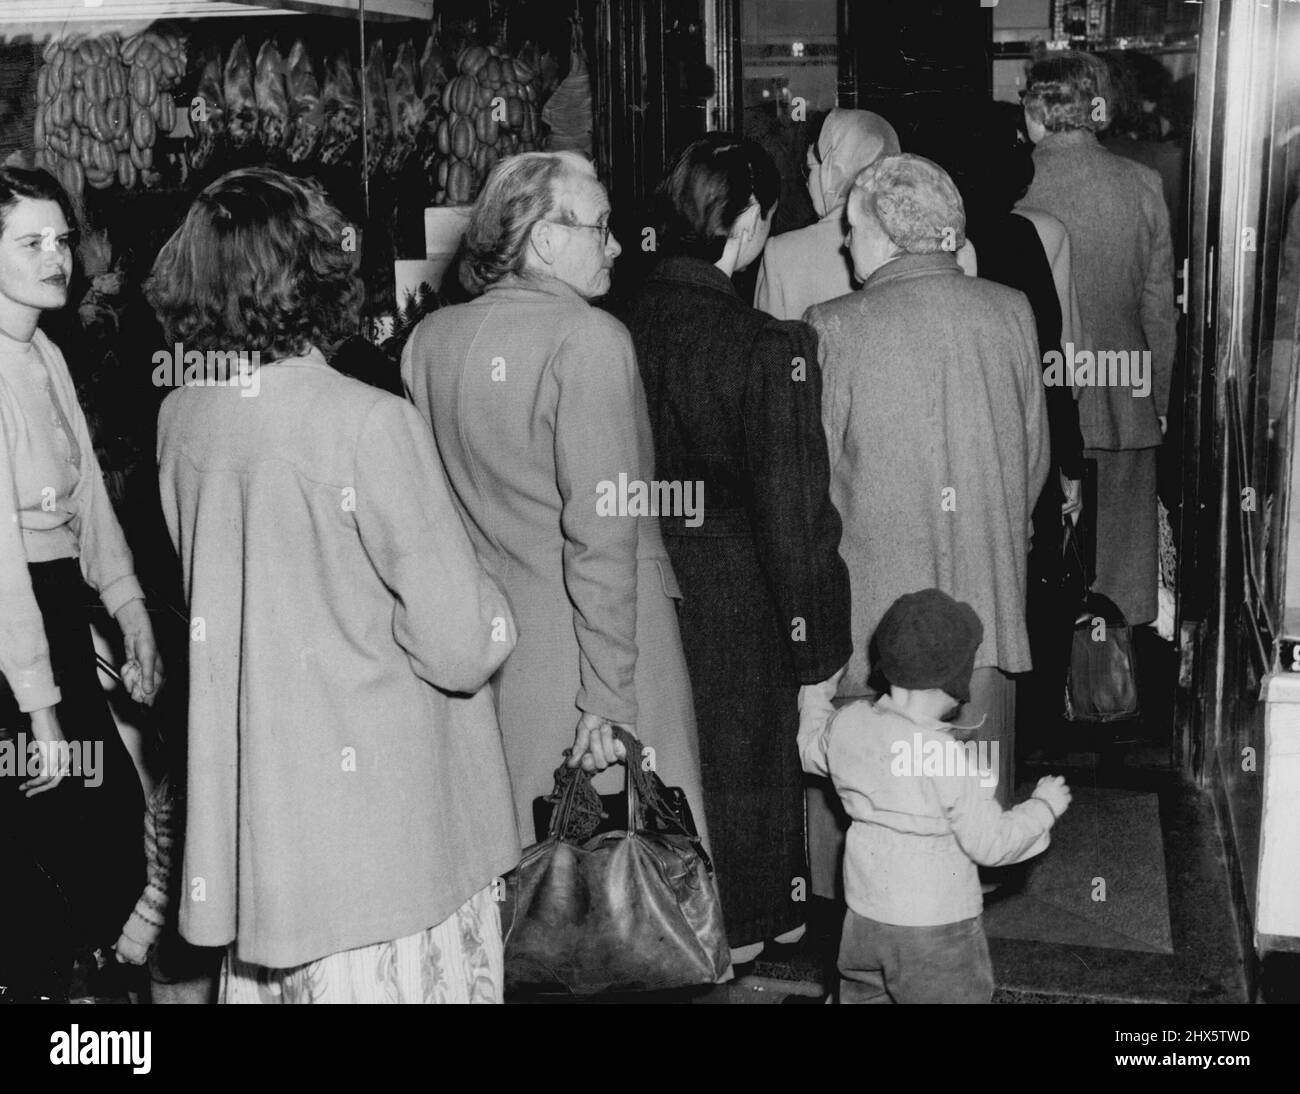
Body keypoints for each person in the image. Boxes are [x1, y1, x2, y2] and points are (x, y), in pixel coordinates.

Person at [150, 167, 519, 1004]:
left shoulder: (183, 417)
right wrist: (495, 595)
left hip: (268, 822)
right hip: (384, 830)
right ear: (315, 271)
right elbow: (460, 648)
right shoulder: (368, 421)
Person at [402, 152, 711, 855]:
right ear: (544, 238)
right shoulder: (590, 339)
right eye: (600, 228)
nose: (617, 245)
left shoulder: (429, 342)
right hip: (594, 651)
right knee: (631, 893)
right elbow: (602, 533)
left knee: (529, 881)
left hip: (497, 653)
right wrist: (608, 698)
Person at [624, 136, 852, 963]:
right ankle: (749, 925)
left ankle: (664, 918)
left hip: (638, 583)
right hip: (737, 596)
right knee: (747, 773)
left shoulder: (614, 324)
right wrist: (820, 652)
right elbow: (797, 517)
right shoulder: (764, 345)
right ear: (750, 222)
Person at [804, 153, 1050, 809]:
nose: (844, 240)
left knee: (878, 819)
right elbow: (1033, 458)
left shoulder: (833, 325)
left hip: (874, 628)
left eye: (851, 228)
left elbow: (816, 487)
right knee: (971, 819)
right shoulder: (1010, 310)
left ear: (883, 235)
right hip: (986, 615)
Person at [0, 166, 161, 1000]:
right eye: (30, 242)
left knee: (111, 849)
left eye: (60, 238)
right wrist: (41, 716)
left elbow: (89, 499)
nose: (56, 256)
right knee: (57, 869)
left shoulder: (45, 353)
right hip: (15, 644)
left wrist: (130, 605)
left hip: (56, 615)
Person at [798, 588, 1072, 1003]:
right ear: (954, 683)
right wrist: (1042, 808)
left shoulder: (849, 724)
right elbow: (992, 843)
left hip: (864, 921)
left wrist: (816, 692)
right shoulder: (943, 755)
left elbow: (808, 747)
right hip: (936, 930)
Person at [930, 100, 1087, 752]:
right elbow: (1053, 361)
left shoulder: (934, 244)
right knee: (1033, 591)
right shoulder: (1025, 237)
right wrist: (1069, 462)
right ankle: (1037, 732)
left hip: (956, 445)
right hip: (1023, 440)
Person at [1020, 51, 1177, 629]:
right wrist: (1158, 399)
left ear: (1037, 108)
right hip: (1123, 390)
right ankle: (1114, 689)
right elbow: (1159, 308)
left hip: (1040, 394)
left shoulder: (1015, 182)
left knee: (1040, 563)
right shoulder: (1141, 184)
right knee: (1121, 568)